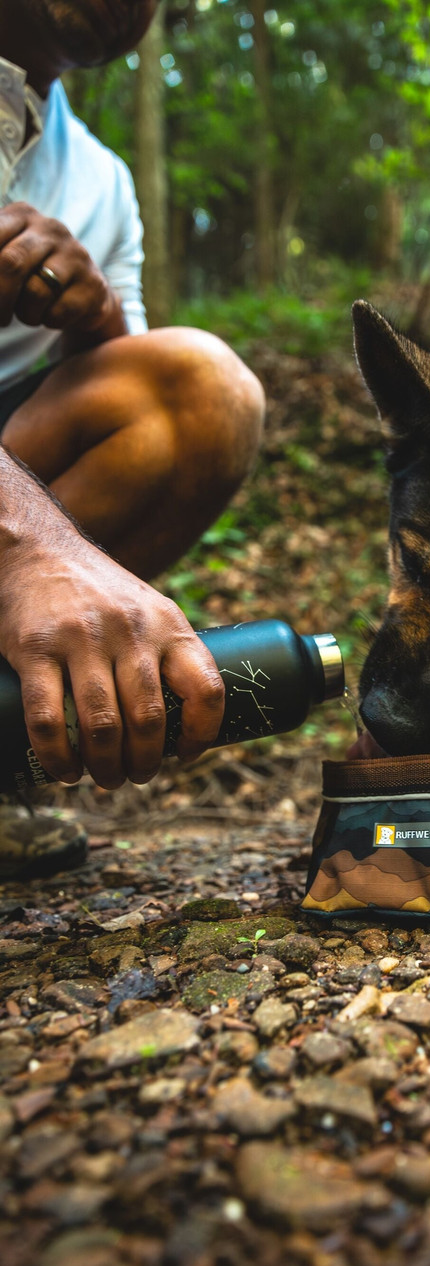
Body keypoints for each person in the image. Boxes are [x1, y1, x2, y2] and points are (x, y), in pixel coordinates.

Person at [0, 0, 266, 875]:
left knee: (204, 394)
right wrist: (23, 547)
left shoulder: (103, 182)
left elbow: (146, 413)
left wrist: (92, 318)